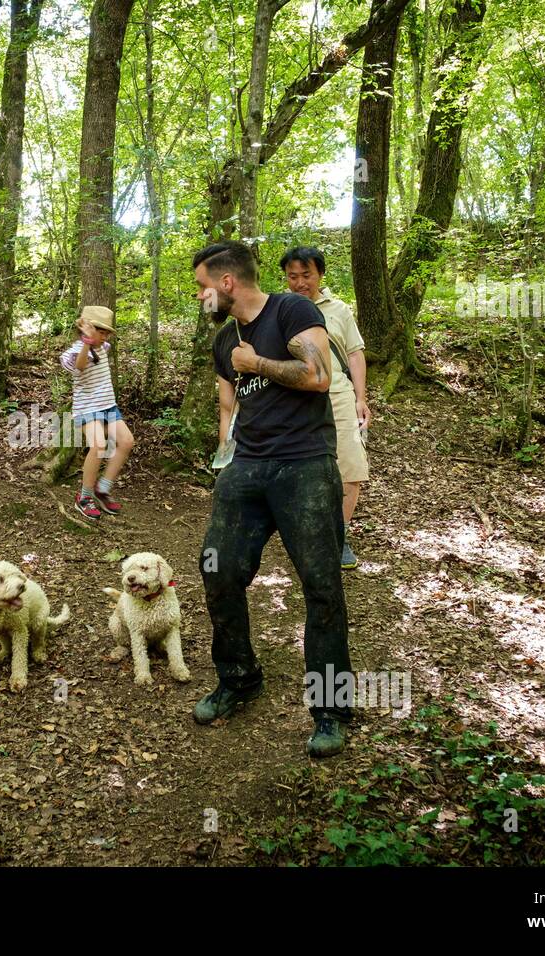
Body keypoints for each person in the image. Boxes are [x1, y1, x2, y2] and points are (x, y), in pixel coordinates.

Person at [190, 240, 353, 758]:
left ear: (227, 283)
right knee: (218, 569)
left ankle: (330, 709)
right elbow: (228, 404)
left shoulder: (292, 309)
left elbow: (319, 377)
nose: (200, 297)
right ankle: (239, 679)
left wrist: (256, 361)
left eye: (202, 286)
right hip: (246, 468)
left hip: (304, 464)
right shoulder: (222, 342)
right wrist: (224, 454)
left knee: (322, 586)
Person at [281, 246, 372, 570]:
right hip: (295, 400)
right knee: (297, 469)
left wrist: (360, 397)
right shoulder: (279, 308)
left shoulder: (339, 310)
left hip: (338, 395)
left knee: (350, 466)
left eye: (307, 275)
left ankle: (339, 535)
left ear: (320, 274)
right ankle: (304, 533)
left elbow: (354, 354)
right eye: (293, 276)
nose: (300, 282)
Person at [60, 305, 134, 519]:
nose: (104, 336)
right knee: (99, 445)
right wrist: (87, 342)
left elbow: (97, 353)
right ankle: (84, 496)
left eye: (105, 333)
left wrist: (96, 341)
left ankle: (103, 488)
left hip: (108, 405)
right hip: (87, 407)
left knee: (127, 441)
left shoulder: (103, 347)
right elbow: (80, 366)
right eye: (100, 332)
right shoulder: (75, 351)